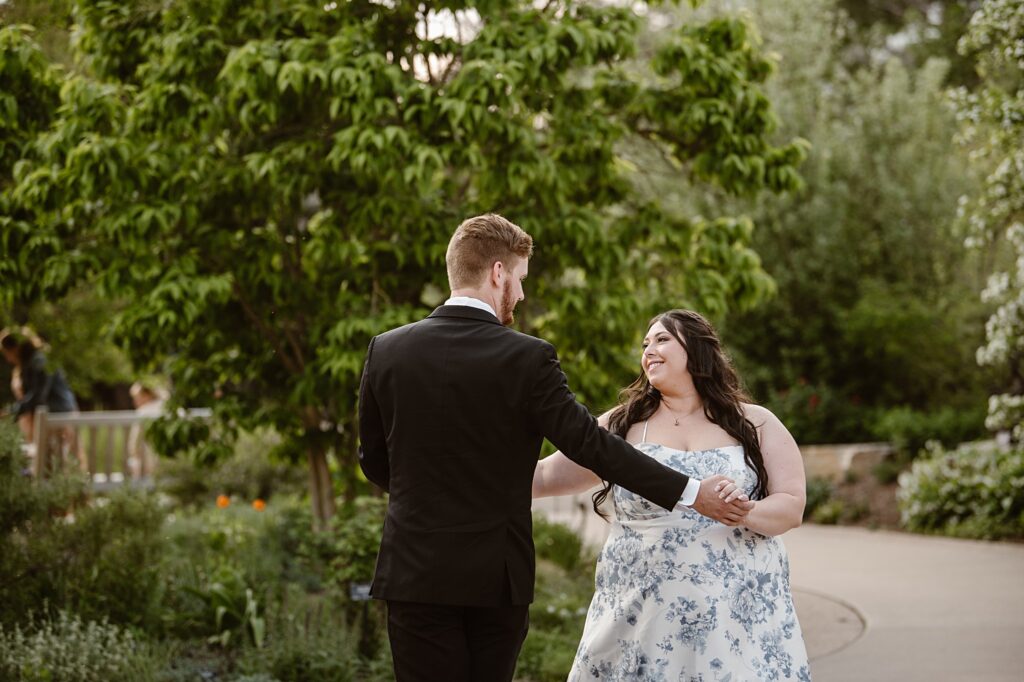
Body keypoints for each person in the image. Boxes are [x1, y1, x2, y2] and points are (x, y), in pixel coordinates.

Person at [357, 215, 754, 682]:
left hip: (413, 573)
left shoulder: (386, 350)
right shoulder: (527, 357)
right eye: (521, 280)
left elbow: (374, 462)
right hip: (495, 578)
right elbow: (592, 445)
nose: (521, 295)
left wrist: (425, 495)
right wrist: (690, 491)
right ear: (498, 273)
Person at [533, 309, 811, 681]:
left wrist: (742, 511)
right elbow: (545, 476)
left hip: (735, 618)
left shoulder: (755, 422)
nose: (649, 350)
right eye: (645, 343)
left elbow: (791, 507)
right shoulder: (620, 426)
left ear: (697, 350)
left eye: (662, 339)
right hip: (640, 617)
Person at [0, 328, 79, 442]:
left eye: (7, 354)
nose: (8, 359)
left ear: (15, 348)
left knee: (63, 455)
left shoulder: (39, 362)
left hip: (59, 415)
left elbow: (38, 396)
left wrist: (10, 411)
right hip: (54, 415)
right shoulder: (29, 364)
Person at [127, 381, 167, 479]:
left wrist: (133, 458)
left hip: (152, 464)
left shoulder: (143, 412)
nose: (134, 402)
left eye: (137, 397)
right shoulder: (171, 408)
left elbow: (134, 443)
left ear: (146, 395)